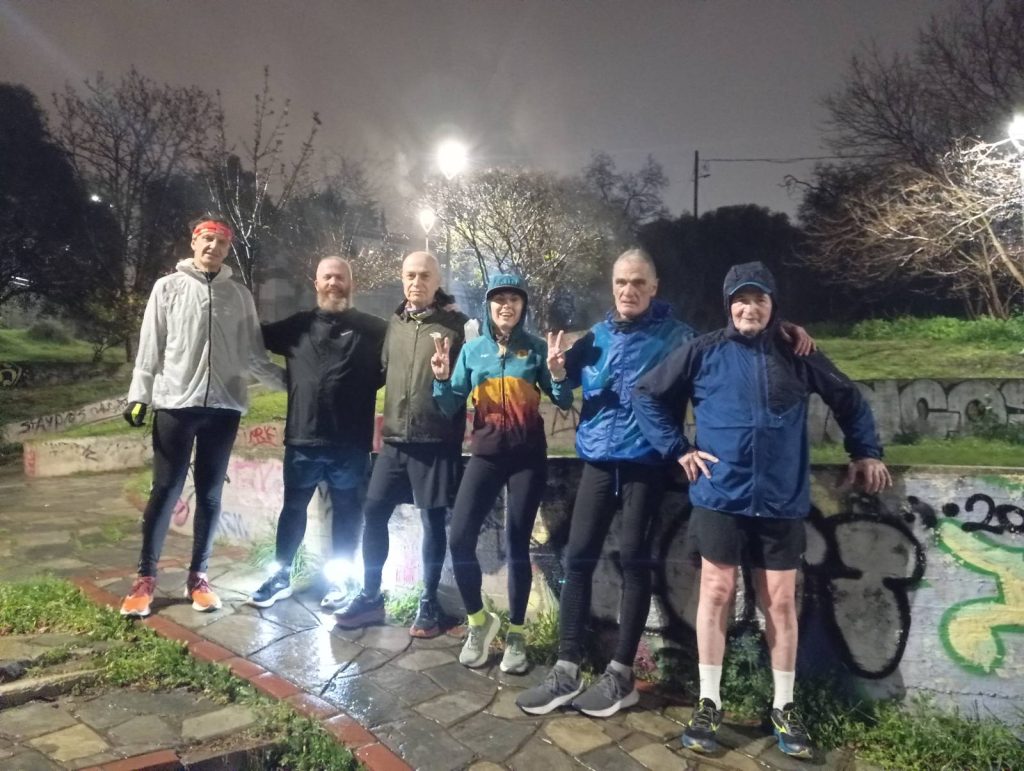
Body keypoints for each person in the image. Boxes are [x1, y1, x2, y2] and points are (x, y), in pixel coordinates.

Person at [516, 250, 816, 718]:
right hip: (597, 462)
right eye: (621, 282)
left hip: (646, 465)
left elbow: (735, 340)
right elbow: (561, 393)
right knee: (577, 560)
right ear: (612, 285)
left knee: (635, 564)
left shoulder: (679, 337)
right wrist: (556, 374)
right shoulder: (594, 337)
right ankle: (566, 667)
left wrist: (783, 328)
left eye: (638, 282)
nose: (628, 290)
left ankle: (620, 676)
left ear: (654, 287)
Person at [632, 261, 891, 758]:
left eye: (759, 299)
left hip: (780, 501)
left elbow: (848, 398)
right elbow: (645, 393)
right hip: (720, 497)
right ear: (728, 305)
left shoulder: (797, 351)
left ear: (773, 305)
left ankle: (784, 706)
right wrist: (677, 448)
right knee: (716, 591)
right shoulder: (704, 351)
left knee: (781, 602)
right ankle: (709, 702)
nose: (749, 308)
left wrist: (865, 451)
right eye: (741, 300)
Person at [119, 214, 283, 618]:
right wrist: (139, 394)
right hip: (176, 403)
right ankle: (145, 579)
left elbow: (253, 354)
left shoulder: (239, 296)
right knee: (165, 490)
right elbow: (151, 346)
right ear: (194, 242)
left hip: (224, 407)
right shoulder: (168, 287)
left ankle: (199, 577)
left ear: (228, 250)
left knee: (210, 495)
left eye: (221, 242)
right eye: (207, 239)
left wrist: (292, 384)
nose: (213, 247)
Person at [431, 274, 572, 673]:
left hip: (528, 459)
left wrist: (557, 374)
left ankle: (517, 634)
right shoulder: (473, 351)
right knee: (459, 538)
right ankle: (479, 621)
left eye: (514, 299)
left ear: (523, 306)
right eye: (499, 299)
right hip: (486, 457)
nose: (506, 305)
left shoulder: (536, 348)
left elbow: (562, 400)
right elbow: (449, 404)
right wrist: (441, 379)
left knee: (517, 545)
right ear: (488, 305)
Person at [333, 252, 468, 638]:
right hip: (394, 440)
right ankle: (371, 596)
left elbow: (467, 385)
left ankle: (429, 602)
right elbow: (376, 372)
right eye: (410, 275)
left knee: (432, 522)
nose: (416, 282)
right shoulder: (394, 324)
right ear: (402, 278)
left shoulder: (457, 327)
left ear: (437, 281)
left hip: (435, 441)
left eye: (424, 276)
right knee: (374, 512)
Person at [246, 256, 387, 610]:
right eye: (327, 277)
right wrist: (282, 381)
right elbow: (250, 337)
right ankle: (280, 576)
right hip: (303, 440)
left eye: (340, 277)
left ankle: (341, 580)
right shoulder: (297, 326)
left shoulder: (374, 330)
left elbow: (408, 345)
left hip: (350, 443)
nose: (334, 283)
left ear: (351, 284)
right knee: (292, 509)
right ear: (316, 283)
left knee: (347, 512)